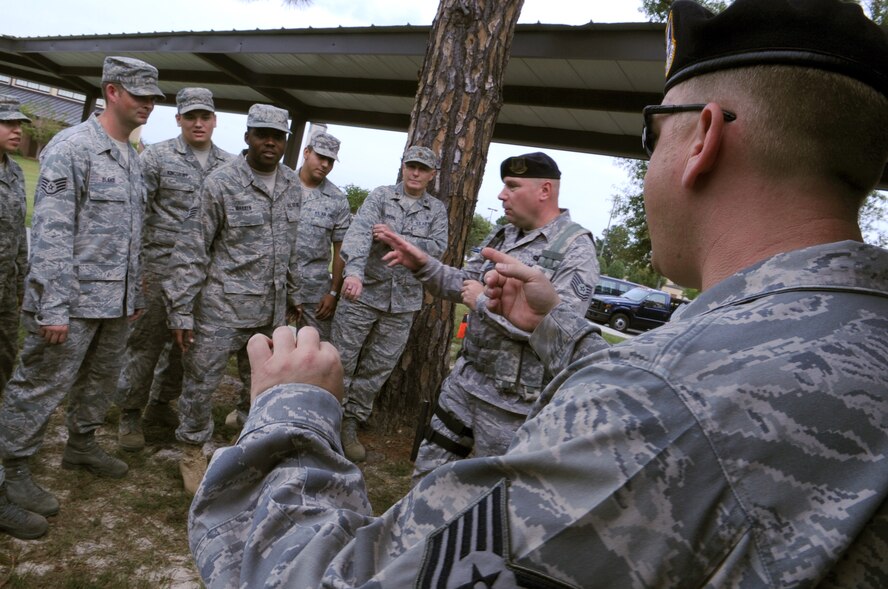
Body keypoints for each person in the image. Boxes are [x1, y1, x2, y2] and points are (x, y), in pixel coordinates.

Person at [188, 1, 888, 586]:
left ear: (702, 137)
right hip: (474, 391)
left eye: (652, 133)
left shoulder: (654, 403)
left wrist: (292, 411)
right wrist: (555, 326)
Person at [0, 56, 162, 540]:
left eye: (154, 96)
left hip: (113, 300)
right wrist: (52, 305)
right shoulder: (72, 148)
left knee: (100, 381)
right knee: (37, 387)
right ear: (112, 91)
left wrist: (132, 289)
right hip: (71, 301)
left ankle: (82, 444)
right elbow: (51, 231)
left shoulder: (130, 154)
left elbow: (131, 232)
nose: (149, 104)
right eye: (140, 94)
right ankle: (10, 475)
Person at [376, 152, 598, 482]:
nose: (501, 195)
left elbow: (562, 334)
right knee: (428, 477)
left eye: (512, 186)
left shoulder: (575, 249)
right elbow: (466, 285)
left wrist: (482, 304)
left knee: (490, 498)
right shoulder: (503, 235)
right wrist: (423, 264)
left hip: (512, 409)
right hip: (464, 386)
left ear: (545, 190)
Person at [163, 103, 301, 495]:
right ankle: (191, 449)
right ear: (248, 137)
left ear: (286, 141)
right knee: (201, 384)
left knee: (260, 385)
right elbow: (192, 248)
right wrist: (181, 310)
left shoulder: (291, 185)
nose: (270, 142)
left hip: (269, 309)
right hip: (220, 308)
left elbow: (288, 247)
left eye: (278, 136)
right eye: (262, 134)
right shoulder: (221, 183)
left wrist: (293, 295)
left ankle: (247, 443)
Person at [115, 88, 233, 452]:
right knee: (145, 344)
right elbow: (135, 214)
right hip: (158, 267)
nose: (198, 123)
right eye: (191, 116)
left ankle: (160, 404)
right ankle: (130, 412)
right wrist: (134, 271)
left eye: (205, 116)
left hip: (202, 274)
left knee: (188, 346)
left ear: (214, 120)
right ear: (178, 119)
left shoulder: (228, 165)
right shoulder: (157, 157)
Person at [330, 145, 448, 462]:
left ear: (432, 175)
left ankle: (350, 423)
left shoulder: (436, 211)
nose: (415, 172)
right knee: (341, 361)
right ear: (403, 167)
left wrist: (397, 238)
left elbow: (437, 248)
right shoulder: (381, 197)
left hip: (403, 302)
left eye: (423, 169)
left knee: (377, 368)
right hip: (364, 293)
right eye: (411, 166)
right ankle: (329, 420)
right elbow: (358, 235)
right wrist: (352, 274)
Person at [289, 131, 350, 341]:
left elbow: (340, 249)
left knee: (314, 351)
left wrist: (334, 292)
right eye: (320, 157)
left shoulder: (337, 199)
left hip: (314, 289)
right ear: (306, 153)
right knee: (269, 348)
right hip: (277, 285)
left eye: (330, 161)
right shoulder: (281, 185)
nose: (325, 164)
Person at [0, 96, 30, 394]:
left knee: (6, 352)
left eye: (19, 123)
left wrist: (21, 283)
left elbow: (19, 232)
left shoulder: (15, 172)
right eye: (8, 123)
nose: (17, 130)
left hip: (7, 286)